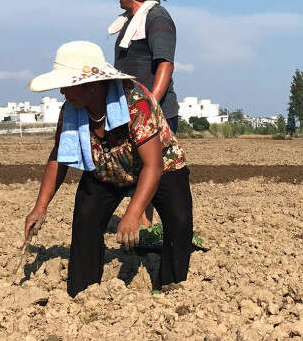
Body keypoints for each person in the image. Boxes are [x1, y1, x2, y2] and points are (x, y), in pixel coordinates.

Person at [23, 41, 193, 297]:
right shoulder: (72, 109)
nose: (61, 91)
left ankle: (172, 288)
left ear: (90, 84)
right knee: (85, 220)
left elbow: (153, 165)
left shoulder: (135, 101)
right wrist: (40, 206)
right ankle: (82, 292)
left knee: (179, 220)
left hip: (161, 166)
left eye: (67, 85)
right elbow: (58, 156)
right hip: (107, 170)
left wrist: (133, 213)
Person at [107, 0, 178, 227]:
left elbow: (165, 64)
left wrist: (151, 107)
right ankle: (144, 226)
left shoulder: (156, 17)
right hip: (131, 110)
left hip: (151, 113)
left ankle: (147, 225)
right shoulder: (130, 22)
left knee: (153, 171)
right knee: (139, 170)